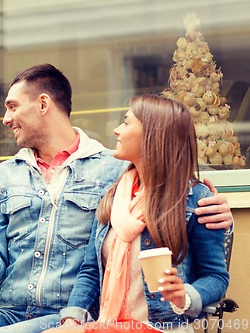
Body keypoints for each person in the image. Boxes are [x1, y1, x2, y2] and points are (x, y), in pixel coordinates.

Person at [0, 64, 233, 333]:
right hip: (12, 308)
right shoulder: (10, 176)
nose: (5, 118)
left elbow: (169, 182)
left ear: (43, 104)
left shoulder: (111, 172)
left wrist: (223, 218)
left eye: (13, 106)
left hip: (88, 315)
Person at [44, 94, 230, 333]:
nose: (116, 130)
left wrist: (184, 295)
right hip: (109, 325)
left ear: (153, 133)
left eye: (126, 122)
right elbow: (90, 270)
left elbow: (216, 277)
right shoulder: (113, 194)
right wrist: (72, 319)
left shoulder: (195, 200)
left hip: (162, 328)